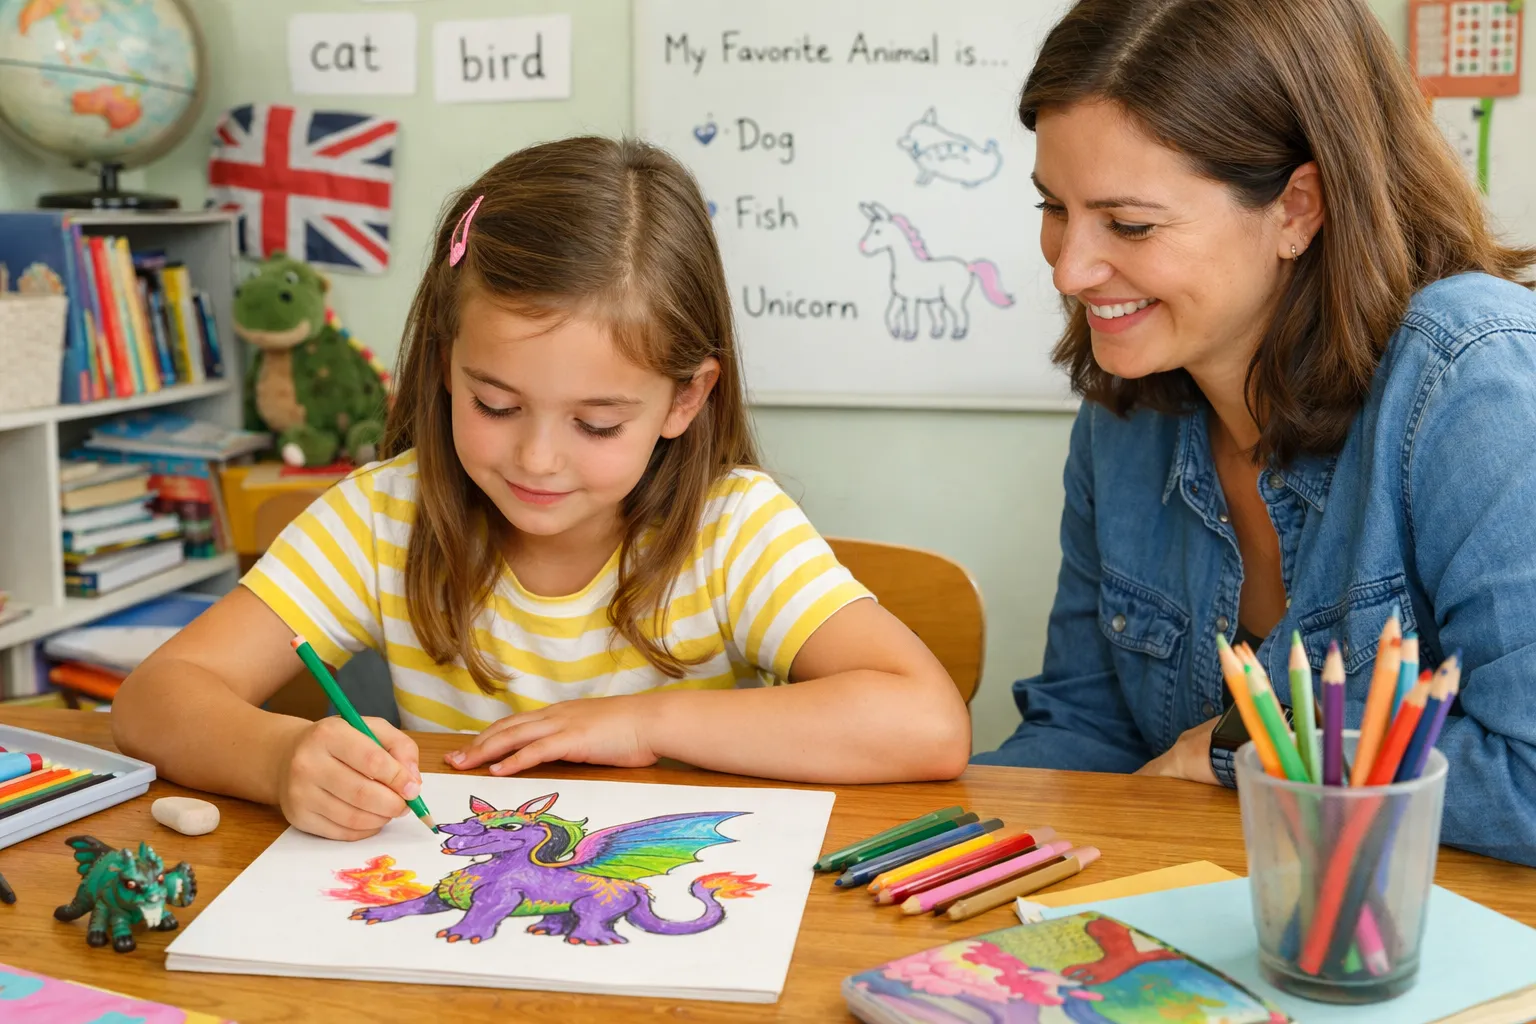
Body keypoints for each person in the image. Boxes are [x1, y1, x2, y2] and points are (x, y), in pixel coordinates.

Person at [113, 137, 971, 841]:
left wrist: (644, 725)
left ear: (685, 398)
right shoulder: (383, 515)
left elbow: (927, 724)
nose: (537, 459)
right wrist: (279, 758)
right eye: (495, 403)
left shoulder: (731, 528)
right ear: (446, 361)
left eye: (596, 424)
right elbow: (157, 697)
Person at [972, 0, 1536, 866]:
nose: (1070, 266)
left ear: (1297, 208)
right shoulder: (1125, 413)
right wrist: (958, 839)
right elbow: (1086, 730)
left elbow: (1528, 782)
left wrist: (1246, 750)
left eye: (1129, 224)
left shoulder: (1474, 379)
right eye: (1056, 206)